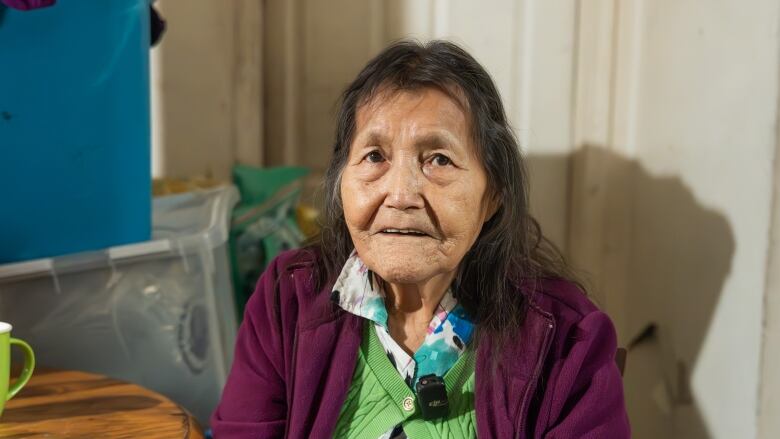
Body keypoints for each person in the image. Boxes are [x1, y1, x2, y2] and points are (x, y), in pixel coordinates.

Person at [211, 40, 630, 438]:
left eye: (439, 160)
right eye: (375, 156)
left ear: (493, 196)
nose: (401, 195)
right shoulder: (289, 299)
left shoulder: (565, 340)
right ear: (342, 182)